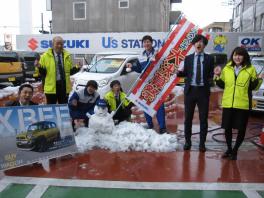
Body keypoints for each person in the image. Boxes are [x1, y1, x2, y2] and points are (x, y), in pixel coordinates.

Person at [214, 47, 263, 160]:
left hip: (242, 104)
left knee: (241, 129)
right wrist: (216, 76)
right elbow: (222, 85)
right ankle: (229, 149)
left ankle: (235, 151)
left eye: (240, 55)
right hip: (228, 104)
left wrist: (259, 79)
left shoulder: (250, 69)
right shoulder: (227, 68)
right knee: (227, 128)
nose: (237, 57)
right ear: (233, 56)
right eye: (235, 55)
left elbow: (253, 87)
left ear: (244, 57)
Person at [178, 34, 214, 152]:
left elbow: (211, 75)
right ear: (193, 45)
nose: (199, 44)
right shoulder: (188, 58)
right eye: (197, 42)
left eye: (201, 42)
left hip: (203, 92)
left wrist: (213, 78)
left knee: (203, 119)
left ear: (204, 45)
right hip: (190, 91)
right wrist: (178, 72)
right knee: (188, 118)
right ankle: (188, 142)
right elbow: (185, 73)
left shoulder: (209, 59)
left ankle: (202, 144)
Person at [126, 35, 167, 134]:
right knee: (145, 104)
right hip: (145, 83)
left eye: (148, 42)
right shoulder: (141, 55)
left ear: (151, 43)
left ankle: (162, 127)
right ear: (143, 44)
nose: (146, 44)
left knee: (159, 105)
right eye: (144, 42)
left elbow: (164, 65)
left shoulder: (158, 53)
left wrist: (156, 58)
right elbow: (140, 69)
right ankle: (150, 124)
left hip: (157, 83)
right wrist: (132, 66)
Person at [35, 36, 80, 104]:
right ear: (52, 44)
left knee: (64, 107)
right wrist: (39, 67)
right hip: (51, 88)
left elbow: (69, 72)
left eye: (61, 44)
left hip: (64, 87)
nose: (59, 46)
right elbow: (43, 73)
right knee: (51, 108)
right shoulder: (45, 56)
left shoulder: (67, 56)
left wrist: (77, 67)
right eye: (57, 43)